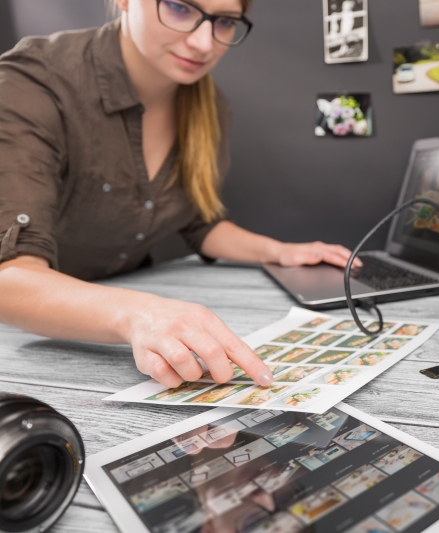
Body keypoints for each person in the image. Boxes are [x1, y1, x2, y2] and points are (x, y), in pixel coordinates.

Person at [0, 0, 361, 390]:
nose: (204, 43)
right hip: (24, 350)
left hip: (123, 352)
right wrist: (138, 314)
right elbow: (10, 279)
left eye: (224, 21)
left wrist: (279, 252)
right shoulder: (32, 83)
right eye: (178, 8)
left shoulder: (209, 105)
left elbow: (197, 223)